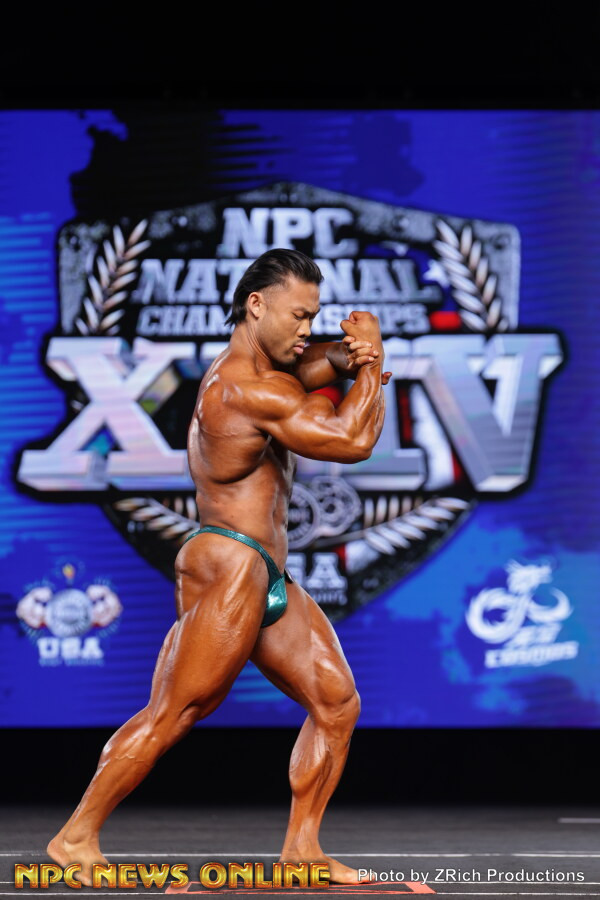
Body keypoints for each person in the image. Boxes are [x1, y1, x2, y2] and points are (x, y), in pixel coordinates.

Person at [48, 248, 391, 885]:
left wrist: (351, 355)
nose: (307, 329)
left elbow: (316, 364)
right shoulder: (242, 387)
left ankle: (303, 852)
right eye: (298, 315)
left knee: (336, 703)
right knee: (174, 713)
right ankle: (75, 838)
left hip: (267, 572)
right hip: (229, 563)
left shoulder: (270, 369)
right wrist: (371, 361)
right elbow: (352, 441)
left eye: (313, 316)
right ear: (256, 305)